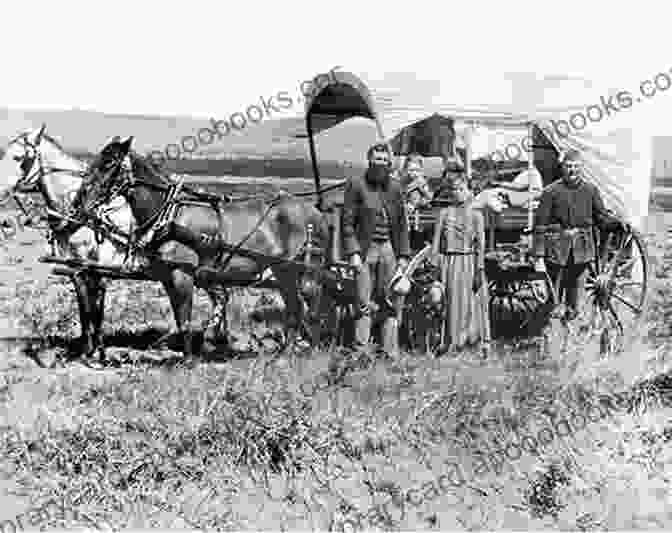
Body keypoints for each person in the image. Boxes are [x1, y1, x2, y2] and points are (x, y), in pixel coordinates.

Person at [533, 149, 623, 322]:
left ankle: (571, 336)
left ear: (581, 168)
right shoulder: (550, 192)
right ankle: (550, 335)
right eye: (568, 166)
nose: (572, 170)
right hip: (556, 252)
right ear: (562, 168)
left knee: (575, 300)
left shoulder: (591, 191)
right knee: (553, 301)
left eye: (576, 166)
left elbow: (601, 219)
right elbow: (540, 226)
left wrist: (617, 224)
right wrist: (538, 257)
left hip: (581, 252)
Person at [342, 142, 411, 356]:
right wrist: (353, 253)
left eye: (384, 159)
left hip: (388, 249)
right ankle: (361, 352)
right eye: (376, 159)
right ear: (369, 160)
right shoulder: (356, 184)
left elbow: (401, 225)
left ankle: (390, 352)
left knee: (390, 302)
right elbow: (347, 222)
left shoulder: (395, 187)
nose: (380, 163)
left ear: (389, 162)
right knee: (363, 302)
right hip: (366, 249)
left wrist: (403, 256)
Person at [431, 174, 491, 355]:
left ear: (470, 192)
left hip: (468, 261)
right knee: (449, 301)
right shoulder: (444, 213)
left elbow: (480, 244)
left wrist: (479, 269)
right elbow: (436, 243)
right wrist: (435, 264)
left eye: (461, 189)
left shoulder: (476, 216)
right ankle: (448, 341)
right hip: (449, 262)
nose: (457, 193)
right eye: (454, 190)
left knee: (469, 301)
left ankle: (470, 340)